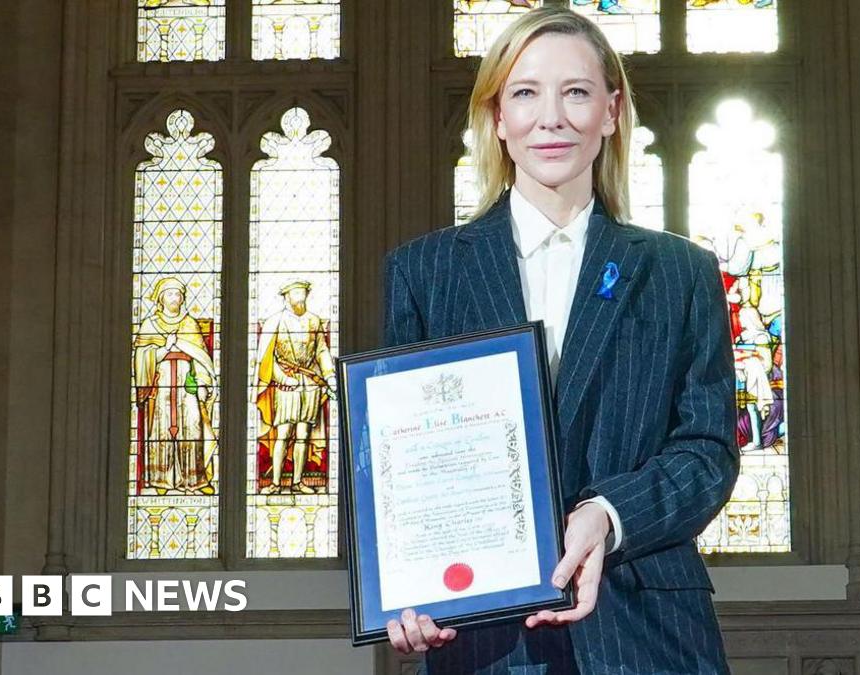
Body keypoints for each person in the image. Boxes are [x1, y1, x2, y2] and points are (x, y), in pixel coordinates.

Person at [382, 8, 738, 673]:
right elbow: (399, 464)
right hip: (485, 639)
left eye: (575, 92)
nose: (551, 118)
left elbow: (708, 453)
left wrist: (608, 513)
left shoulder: (679, 272)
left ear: (611, 111)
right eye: (525, 93)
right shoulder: (424, 273)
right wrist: (406, 587)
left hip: (648, 632)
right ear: (498, 118)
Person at [132, 276, 217, 495]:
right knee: (161, 429)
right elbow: (141, 357)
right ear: (160, 298)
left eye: (178, 294)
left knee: (193, 426)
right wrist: (165, 349)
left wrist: (202, 383)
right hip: (161, 384)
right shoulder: (150, 324)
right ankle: (161, 480)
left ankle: (195, 479)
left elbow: (201, 358)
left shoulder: (189, 324)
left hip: (186, 384)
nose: (174, 298)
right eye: (170, 294)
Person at [254, 279, 336, 495]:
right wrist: (282, 378)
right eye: (296, 292)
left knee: (303, 434)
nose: (301, 296)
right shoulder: (275, 321)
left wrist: (329, 375)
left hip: (310, 384)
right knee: (283, 433)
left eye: (303, 292)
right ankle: (276, 482)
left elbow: (321, 351)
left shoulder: (313, 321)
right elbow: (268, 358)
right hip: (287, 384)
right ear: (286, 296)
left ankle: (297, 482)